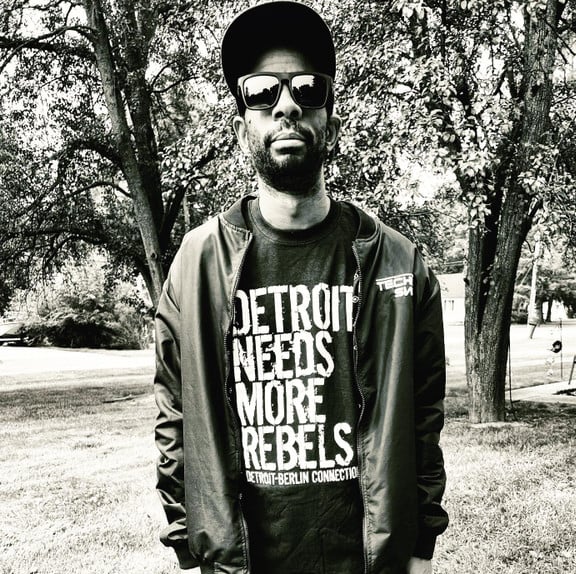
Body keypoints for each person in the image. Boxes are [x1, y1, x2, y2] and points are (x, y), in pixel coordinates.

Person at [154, 2, 449, 573]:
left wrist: (420, 549)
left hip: (366, 561)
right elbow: (174, 417)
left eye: (307, 89)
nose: (286, 105)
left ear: (330, 125)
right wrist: (189, 548)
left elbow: (422, 421)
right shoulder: (195, 265)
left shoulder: (397, 262)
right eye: (262, 91)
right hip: (243, 562)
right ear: (243, 129)